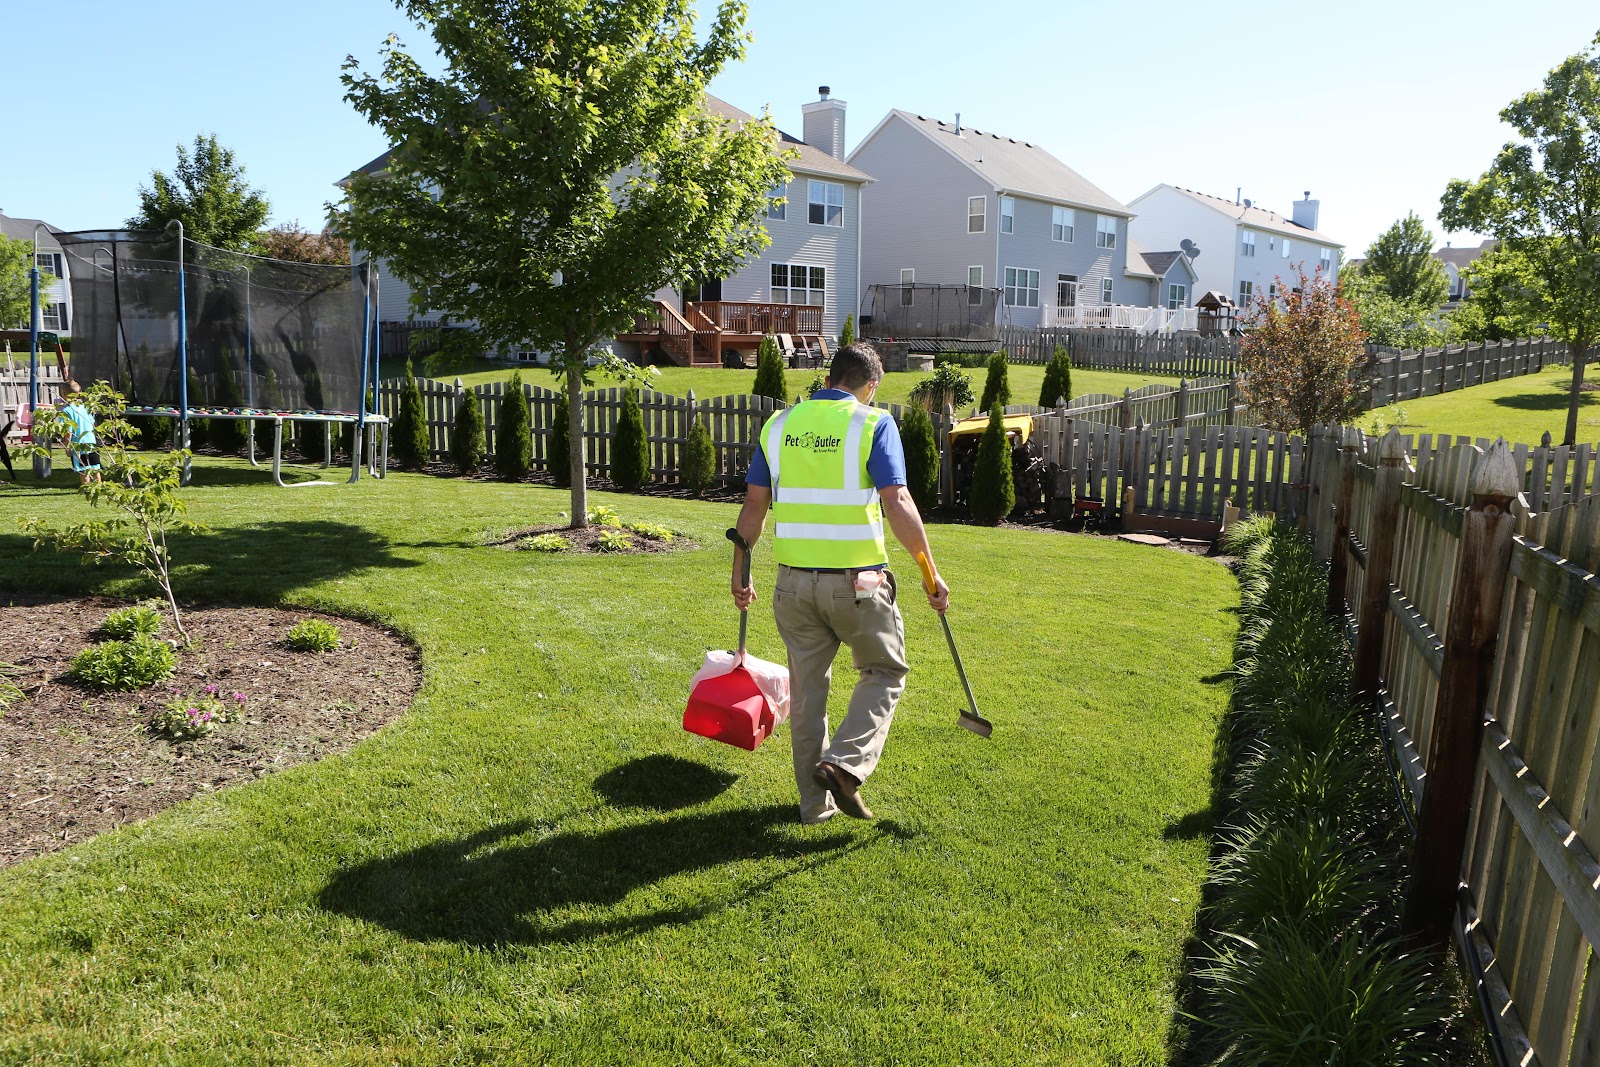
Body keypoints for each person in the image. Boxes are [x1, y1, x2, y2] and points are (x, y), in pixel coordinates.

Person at [731, 343, 949, 824]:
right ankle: (846, 766)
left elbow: (753, 509)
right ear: (871, 384)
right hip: (860, 584)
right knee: (885, 672)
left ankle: (814, 808)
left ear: (830, 378)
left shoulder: (779, 425)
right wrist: (929, 572)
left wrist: (740, 572)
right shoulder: (873, 423)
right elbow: (898, 502)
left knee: (807, 698)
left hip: (792, 586)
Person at [58, 383, 102, 486]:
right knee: (95, 466)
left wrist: (67, 447)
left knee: (83, 468)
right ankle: (99, 487)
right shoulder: (85, 408)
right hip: (92, 442)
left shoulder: (66, 411)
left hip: (78, 445)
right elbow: (92, 423)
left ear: (64, 394)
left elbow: (68, 431)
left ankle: (86, 487)